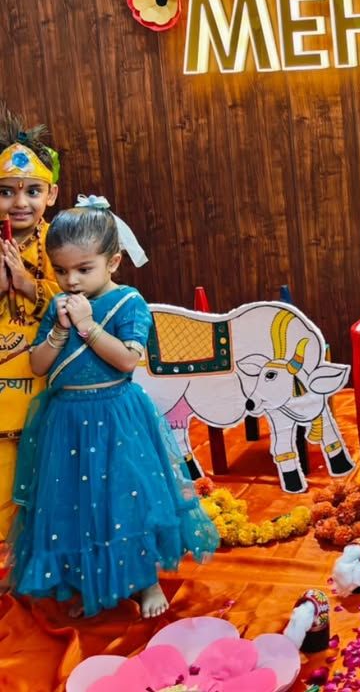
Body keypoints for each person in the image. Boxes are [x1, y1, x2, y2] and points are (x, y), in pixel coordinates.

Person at [8, 198, 217, 618]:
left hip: (117, 417)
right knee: (73, 504)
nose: (71, 281)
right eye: (61, 270)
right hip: (65, 419)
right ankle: (87, 582)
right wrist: (60, 330)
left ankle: (145, 581)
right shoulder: (59, 305)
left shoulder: (128, 302)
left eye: (84, 269)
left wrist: (87, 325)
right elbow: (38, 366)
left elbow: (126, 360)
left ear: (114, 261)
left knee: (127, 498)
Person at [0, 110, 61, 543]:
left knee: (44, 471)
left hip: (45, 376)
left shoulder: (62, 241)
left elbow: (81, 302)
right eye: (6, 192)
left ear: (51, 194)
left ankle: (37, 548)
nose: (19, 203)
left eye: (32, 191)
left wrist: (26, 284)